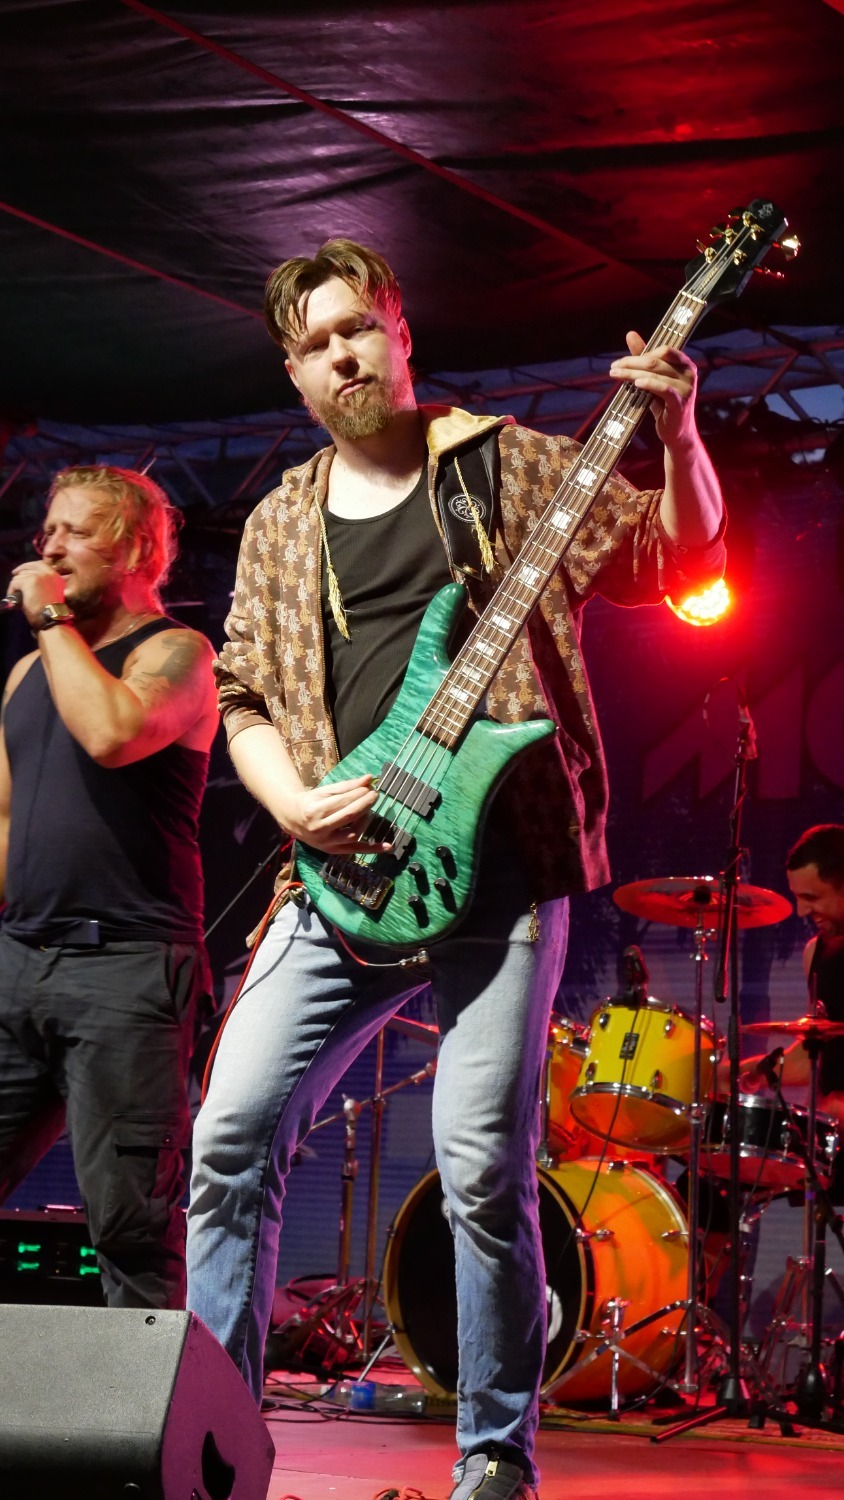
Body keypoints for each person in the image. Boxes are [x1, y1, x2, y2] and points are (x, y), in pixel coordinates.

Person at [186, 238, 725, 1500]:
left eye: (358, 328)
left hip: (498, 874)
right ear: (293, 373)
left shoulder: (504, 465)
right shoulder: (279, 521)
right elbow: (242, 693)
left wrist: (682, 436)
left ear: (400, 331)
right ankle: (209, 1440)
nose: (343, 356)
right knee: (226, 1139)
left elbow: (678, 561)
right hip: (338, 878)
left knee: (479, 1164)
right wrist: (291, 803)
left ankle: (493, 1455)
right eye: (316, 344)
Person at [0, 464, 218, 1309]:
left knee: (130, 1226)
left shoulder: (178, 654)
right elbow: (8, 826)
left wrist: (49, 615)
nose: (50, 548)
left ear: (134, 549)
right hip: (20, 961)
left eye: (75, 532)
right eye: (46, 532)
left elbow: (112, 733)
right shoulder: (28, 674)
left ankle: (145, 1399)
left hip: (127, 971)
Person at [739, 825, 844, 1128]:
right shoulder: (817, 954)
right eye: (797, 897)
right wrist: (756, 1072)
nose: (800, 911)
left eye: (811, 897)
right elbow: (815, 1053)